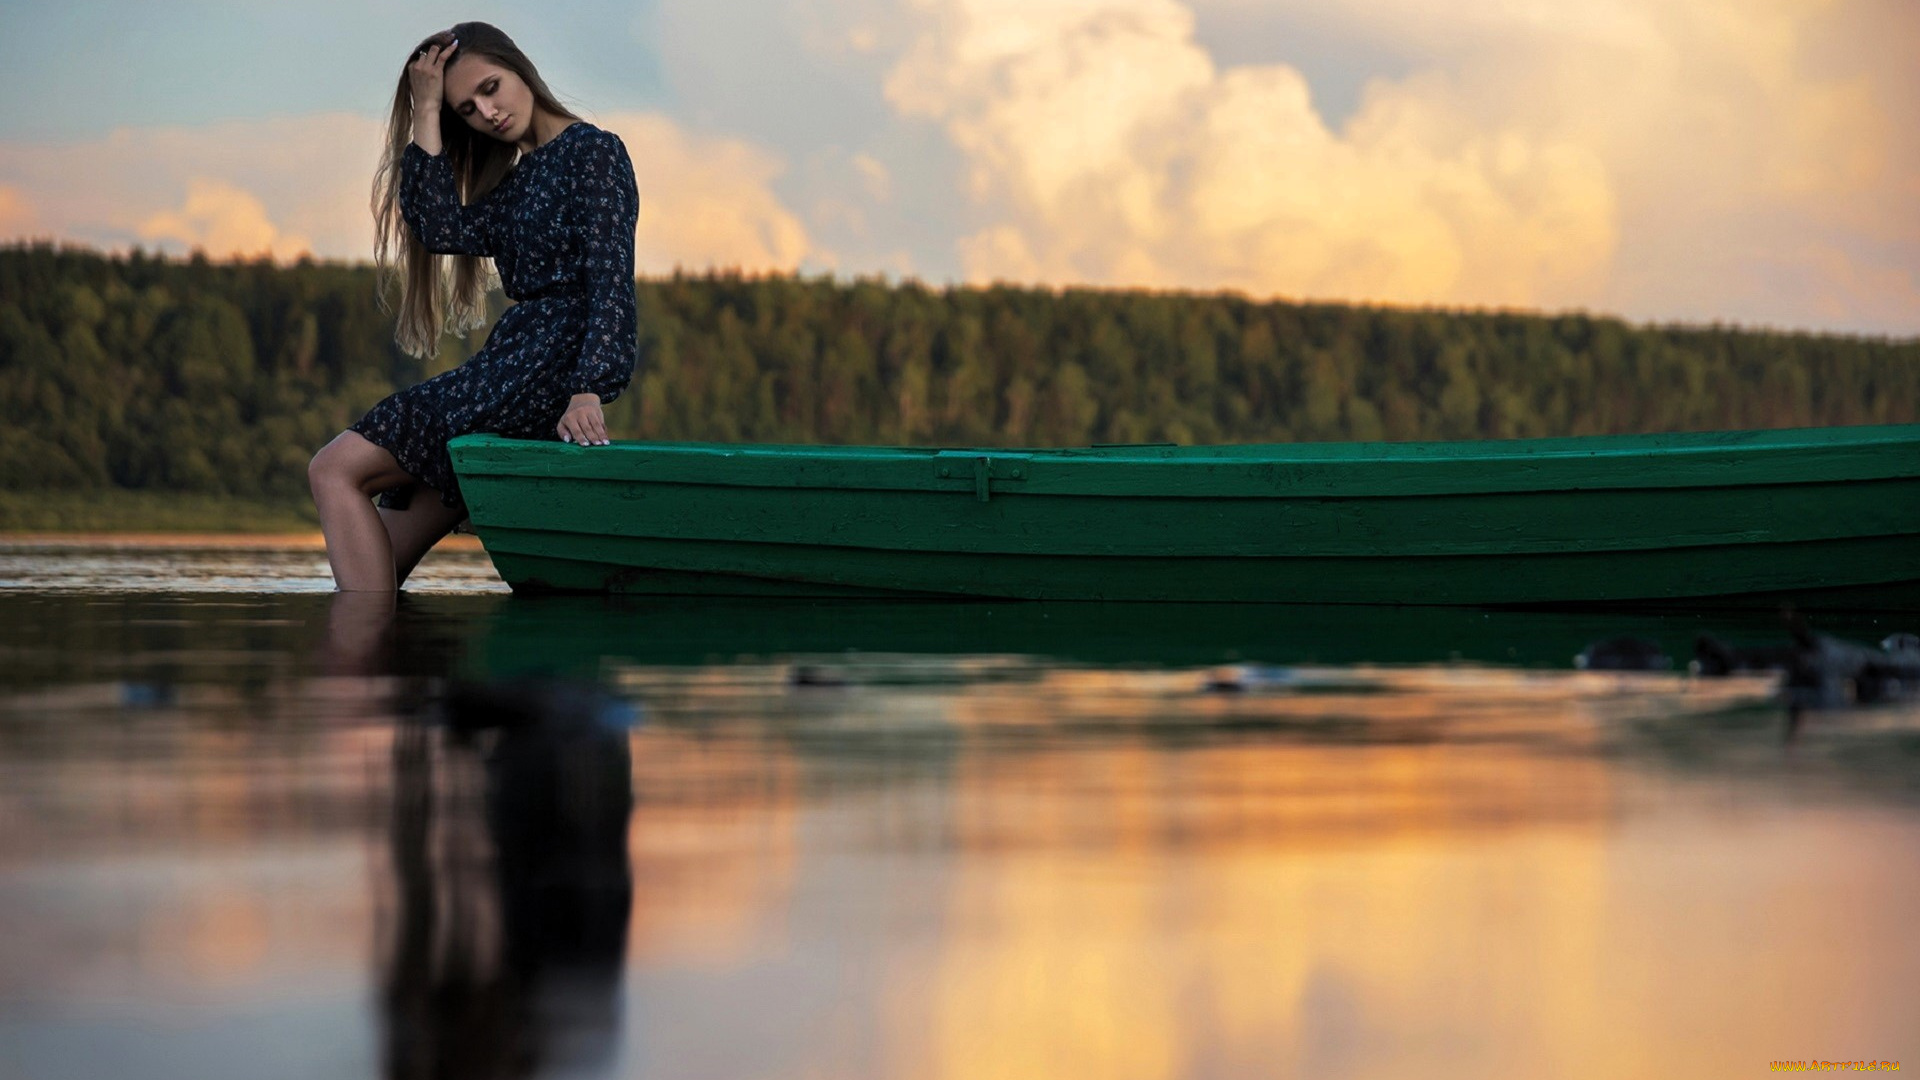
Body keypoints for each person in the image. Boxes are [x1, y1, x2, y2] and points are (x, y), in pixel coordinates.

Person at [309, 22, 639, 592]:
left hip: (536, 370)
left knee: (333, 468)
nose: (486, 112)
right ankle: (375, 665)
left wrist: (589, 387)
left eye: (491, 87)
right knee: (377, 560)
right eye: (467, 108)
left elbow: (610, 278)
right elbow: (440, 227)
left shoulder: (593, 152)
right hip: (512, 366)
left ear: (520, 67)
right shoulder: (517, 181)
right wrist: (426, 111)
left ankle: (356, 671)